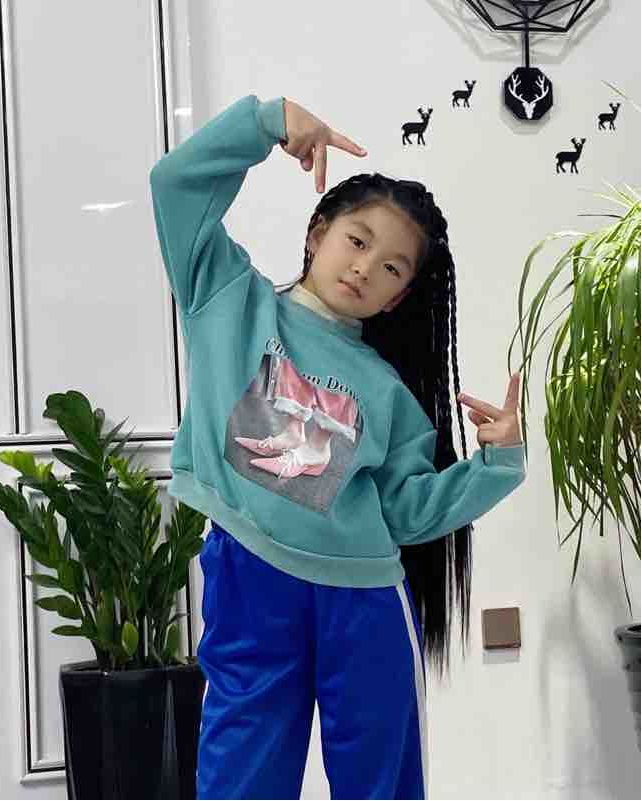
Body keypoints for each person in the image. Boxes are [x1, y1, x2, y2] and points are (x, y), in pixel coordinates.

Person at [149, 95, 526, 800]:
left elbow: (406, 512)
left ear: (398, 298)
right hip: (249, 576)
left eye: (392, 268)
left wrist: (496, 465)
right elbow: (174, 184)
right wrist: (267, 123)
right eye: (357, 241)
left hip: (364, 597)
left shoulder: (387, 392)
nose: (364, 268)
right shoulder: (228, 299)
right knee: (240, 773)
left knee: (379, 780)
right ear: (317, 232)